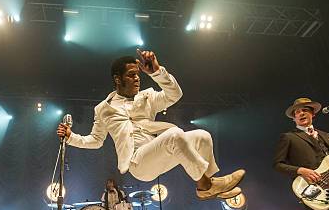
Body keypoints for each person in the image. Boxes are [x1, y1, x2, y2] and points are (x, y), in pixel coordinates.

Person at [57, 50, 244, 200]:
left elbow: (175, 95)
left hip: (158, 154)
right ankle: (205, 185)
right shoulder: (103, 109)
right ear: (117, 79)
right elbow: (96, 140)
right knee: (175, 135)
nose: (137, 78)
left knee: (203, 136)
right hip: (138, 164)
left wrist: (156, 71)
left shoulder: (147, 97)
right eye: (131, 75)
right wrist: (71, 137)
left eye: (138, 75)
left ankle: (211, 186)